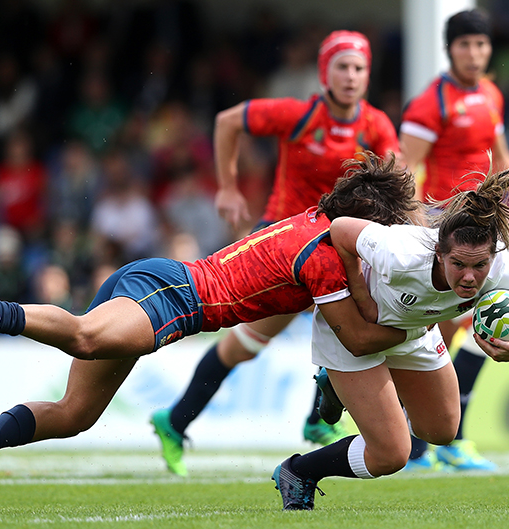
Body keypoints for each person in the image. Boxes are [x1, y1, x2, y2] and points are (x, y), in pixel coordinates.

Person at [0, 152, 419, 507]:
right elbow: (357, 337)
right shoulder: (324, 257)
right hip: (175, 294)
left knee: (75, 414)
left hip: (161, 285)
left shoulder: (317, 226)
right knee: (86, 337)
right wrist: (423, 320)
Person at [149, 29, 400, 477]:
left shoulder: (375, 125)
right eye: (342, 66)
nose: (351, 75)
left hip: (335, 247)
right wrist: (227, 187)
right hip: (284, 245)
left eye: (359, 68)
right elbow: (228, 121)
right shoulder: (299, 115)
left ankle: (309, 419)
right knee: (252, 342)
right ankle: (181, 420)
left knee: (353, 322)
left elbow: (399, 182)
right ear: (325, 73)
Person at [272, 166, 509, 511]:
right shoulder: (400, 253)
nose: (470, 277)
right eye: (459, 264)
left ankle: (341, 388)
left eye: (480, 266)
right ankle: (299, 471)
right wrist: (361, 295)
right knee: (391, 455)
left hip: (413, 332)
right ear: (439, 253)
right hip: (358, 332)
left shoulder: (504, 266)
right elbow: (340, 229)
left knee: (441, 431)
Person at [397, 8, 509, 471]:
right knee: (440, 335)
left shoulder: (490, 94)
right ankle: (427, 440)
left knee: (475, 326)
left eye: (481, 44)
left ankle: (440, 441)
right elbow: (405, 169)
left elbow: (501, 157)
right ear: (450, 49)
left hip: (483, 230)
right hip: (445, 233)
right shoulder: (430, 103)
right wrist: (415, 224)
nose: (474, 52)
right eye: (465, 44)